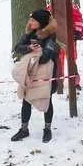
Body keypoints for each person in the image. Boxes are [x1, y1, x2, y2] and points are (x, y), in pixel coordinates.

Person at [11, 10, 59, 143]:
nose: (30, 22)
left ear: (41, 22)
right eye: (30, 20)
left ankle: (47, 129)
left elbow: (45, 58)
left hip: (46, 75)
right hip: (30, 73)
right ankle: (24, 129)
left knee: (46, 100)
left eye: (33, 20)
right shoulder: (29, 33)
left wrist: (38, 51)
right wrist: (29, 48)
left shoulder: (50, 36)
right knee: (26, 100)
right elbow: (17, 48)